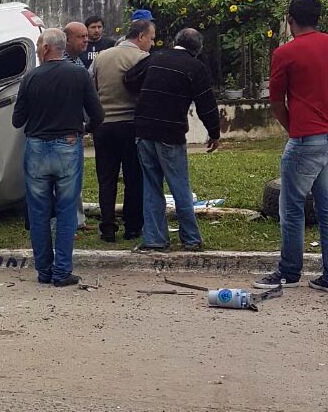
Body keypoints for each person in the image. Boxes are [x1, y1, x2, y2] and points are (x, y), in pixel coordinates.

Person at [13, 28, 104, 286]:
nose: (37, 49)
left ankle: (44, 271)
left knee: (38, 211)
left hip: (37, 148)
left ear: (45, 48)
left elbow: (17, 120)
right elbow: (97, 114)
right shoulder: (79, 74)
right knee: (66, 210)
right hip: (68, 145)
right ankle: (62, 271)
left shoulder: (30, 78)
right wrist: (83, 129)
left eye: (38, 45)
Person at [253, 0, 328, 291]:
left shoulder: (285, 53)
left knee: (292, 207)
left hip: (306, 137)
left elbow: (276, 101)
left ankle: (289, 271)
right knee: (326, 209)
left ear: (290, 20)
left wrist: (293, 129)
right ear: (318, 18)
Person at [124, 28, 220, 252]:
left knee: (151, 185)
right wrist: (214, 133)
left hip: (144, 128)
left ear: (175, 41)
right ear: (197, 49)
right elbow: (206, 104)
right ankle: (191, 238)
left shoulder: (155, 57)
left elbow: (129, 79)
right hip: (170, 132)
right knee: (179, 186)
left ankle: (155, 239)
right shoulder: (195, 67)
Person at [91, 19, 153, 242]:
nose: (152, 44)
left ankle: (107, 227)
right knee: (133, 177)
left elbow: (92, 87)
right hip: (130, 124)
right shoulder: (142, 58)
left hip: (104, 125)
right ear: (141, 37)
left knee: (106, 178)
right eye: (151, 39)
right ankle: (132, 226)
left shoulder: (101, 57)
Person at [62, 21, 92, 231]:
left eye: (86, 36)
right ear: (67, 40)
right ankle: (68, 221)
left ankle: (78, 219)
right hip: (66, 129)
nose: (86, 40)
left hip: (78, 127)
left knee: (76, 176)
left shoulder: (78, 61)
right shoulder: (64, 65)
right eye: (81, 37)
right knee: (66, 177)